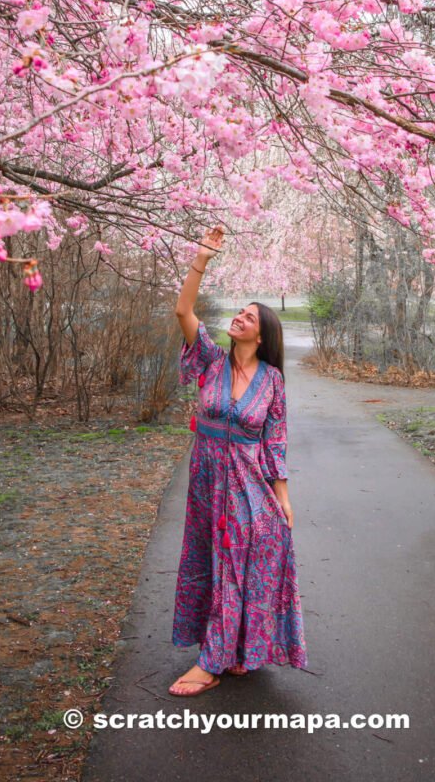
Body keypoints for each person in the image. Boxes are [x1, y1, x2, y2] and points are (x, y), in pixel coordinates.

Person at [169, 224, 308, 697]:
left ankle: (213, 660)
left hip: (250, 487)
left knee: (240, 562)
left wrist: (284, 498)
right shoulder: (209, 359)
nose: (240, 318)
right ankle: (230, 648)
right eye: (239, 312)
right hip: (207, 481)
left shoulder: (273, 381)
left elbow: (276, 442)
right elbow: (183, 309)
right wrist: (202, 256)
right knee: (210, 562)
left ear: (263, 333)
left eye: (250, 317)